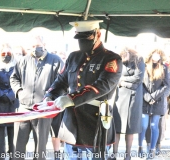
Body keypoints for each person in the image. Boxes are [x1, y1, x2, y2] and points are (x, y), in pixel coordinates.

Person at [38, 20, 122, 160]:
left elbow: (102, 85)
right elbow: (61, 80)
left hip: (94, 125)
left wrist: (71, 98)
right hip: (71, 125)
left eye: (86, 37)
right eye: (79, 37)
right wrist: (50, 96)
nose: (82, 41)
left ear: (98, 34)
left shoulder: (111, 58)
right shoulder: (74, 56)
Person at [10, 35, 64, 160]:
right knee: (18, 145)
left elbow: (63, 82)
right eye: (33, 47)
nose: (35, 49)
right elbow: (14, 78)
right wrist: (19, 92)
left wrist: (50, 99)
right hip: (23, 109)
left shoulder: (55, 61)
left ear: (44, 45)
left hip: (43, 110)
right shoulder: (23, 60)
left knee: (40, 148)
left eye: (38, 46)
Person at [112, 47, 145, 160]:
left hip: (133, 98)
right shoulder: (118, 61)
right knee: (117, 126)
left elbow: (138, 78)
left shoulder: (139, 60)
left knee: (129, 128)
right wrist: (125, 83)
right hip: (120, 97)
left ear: (128, 54)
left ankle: (128, 154)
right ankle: (114, 153)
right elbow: (116, 77)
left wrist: (123, 82)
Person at [138, 49, 169, 159]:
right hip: (145, 101)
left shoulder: (164, 68)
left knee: (154, 126)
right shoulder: (144, 67)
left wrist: (154, 96)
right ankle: (140, 147)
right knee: (143, 125)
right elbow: (140, 83)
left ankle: (152, 150)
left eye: (158, 55)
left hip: (157, 102)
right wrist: (147, 97)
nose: (156, 56)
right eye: (154, 54)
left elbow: (166, 85)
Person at [0, 43, 18, 159]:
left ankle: (14, 156)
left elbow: (19, 82)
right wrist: (1, 94)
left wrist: (10, 96)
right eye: (3, 53)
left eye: (8, 53)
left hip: (13, 104)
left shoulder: (17, 66)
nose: (6, 55)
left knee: (14, 134)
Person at [145, 53, 170, 153]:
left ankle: (157, 145)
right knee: (148, 125)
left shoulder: (168, 69)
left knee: (158, 124)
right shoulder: (148, 67)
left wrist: (158, 96)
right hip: (149, 100)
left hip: (162, 99)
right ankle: (149, 144)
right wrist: (149, 97)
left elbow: (168, 85)